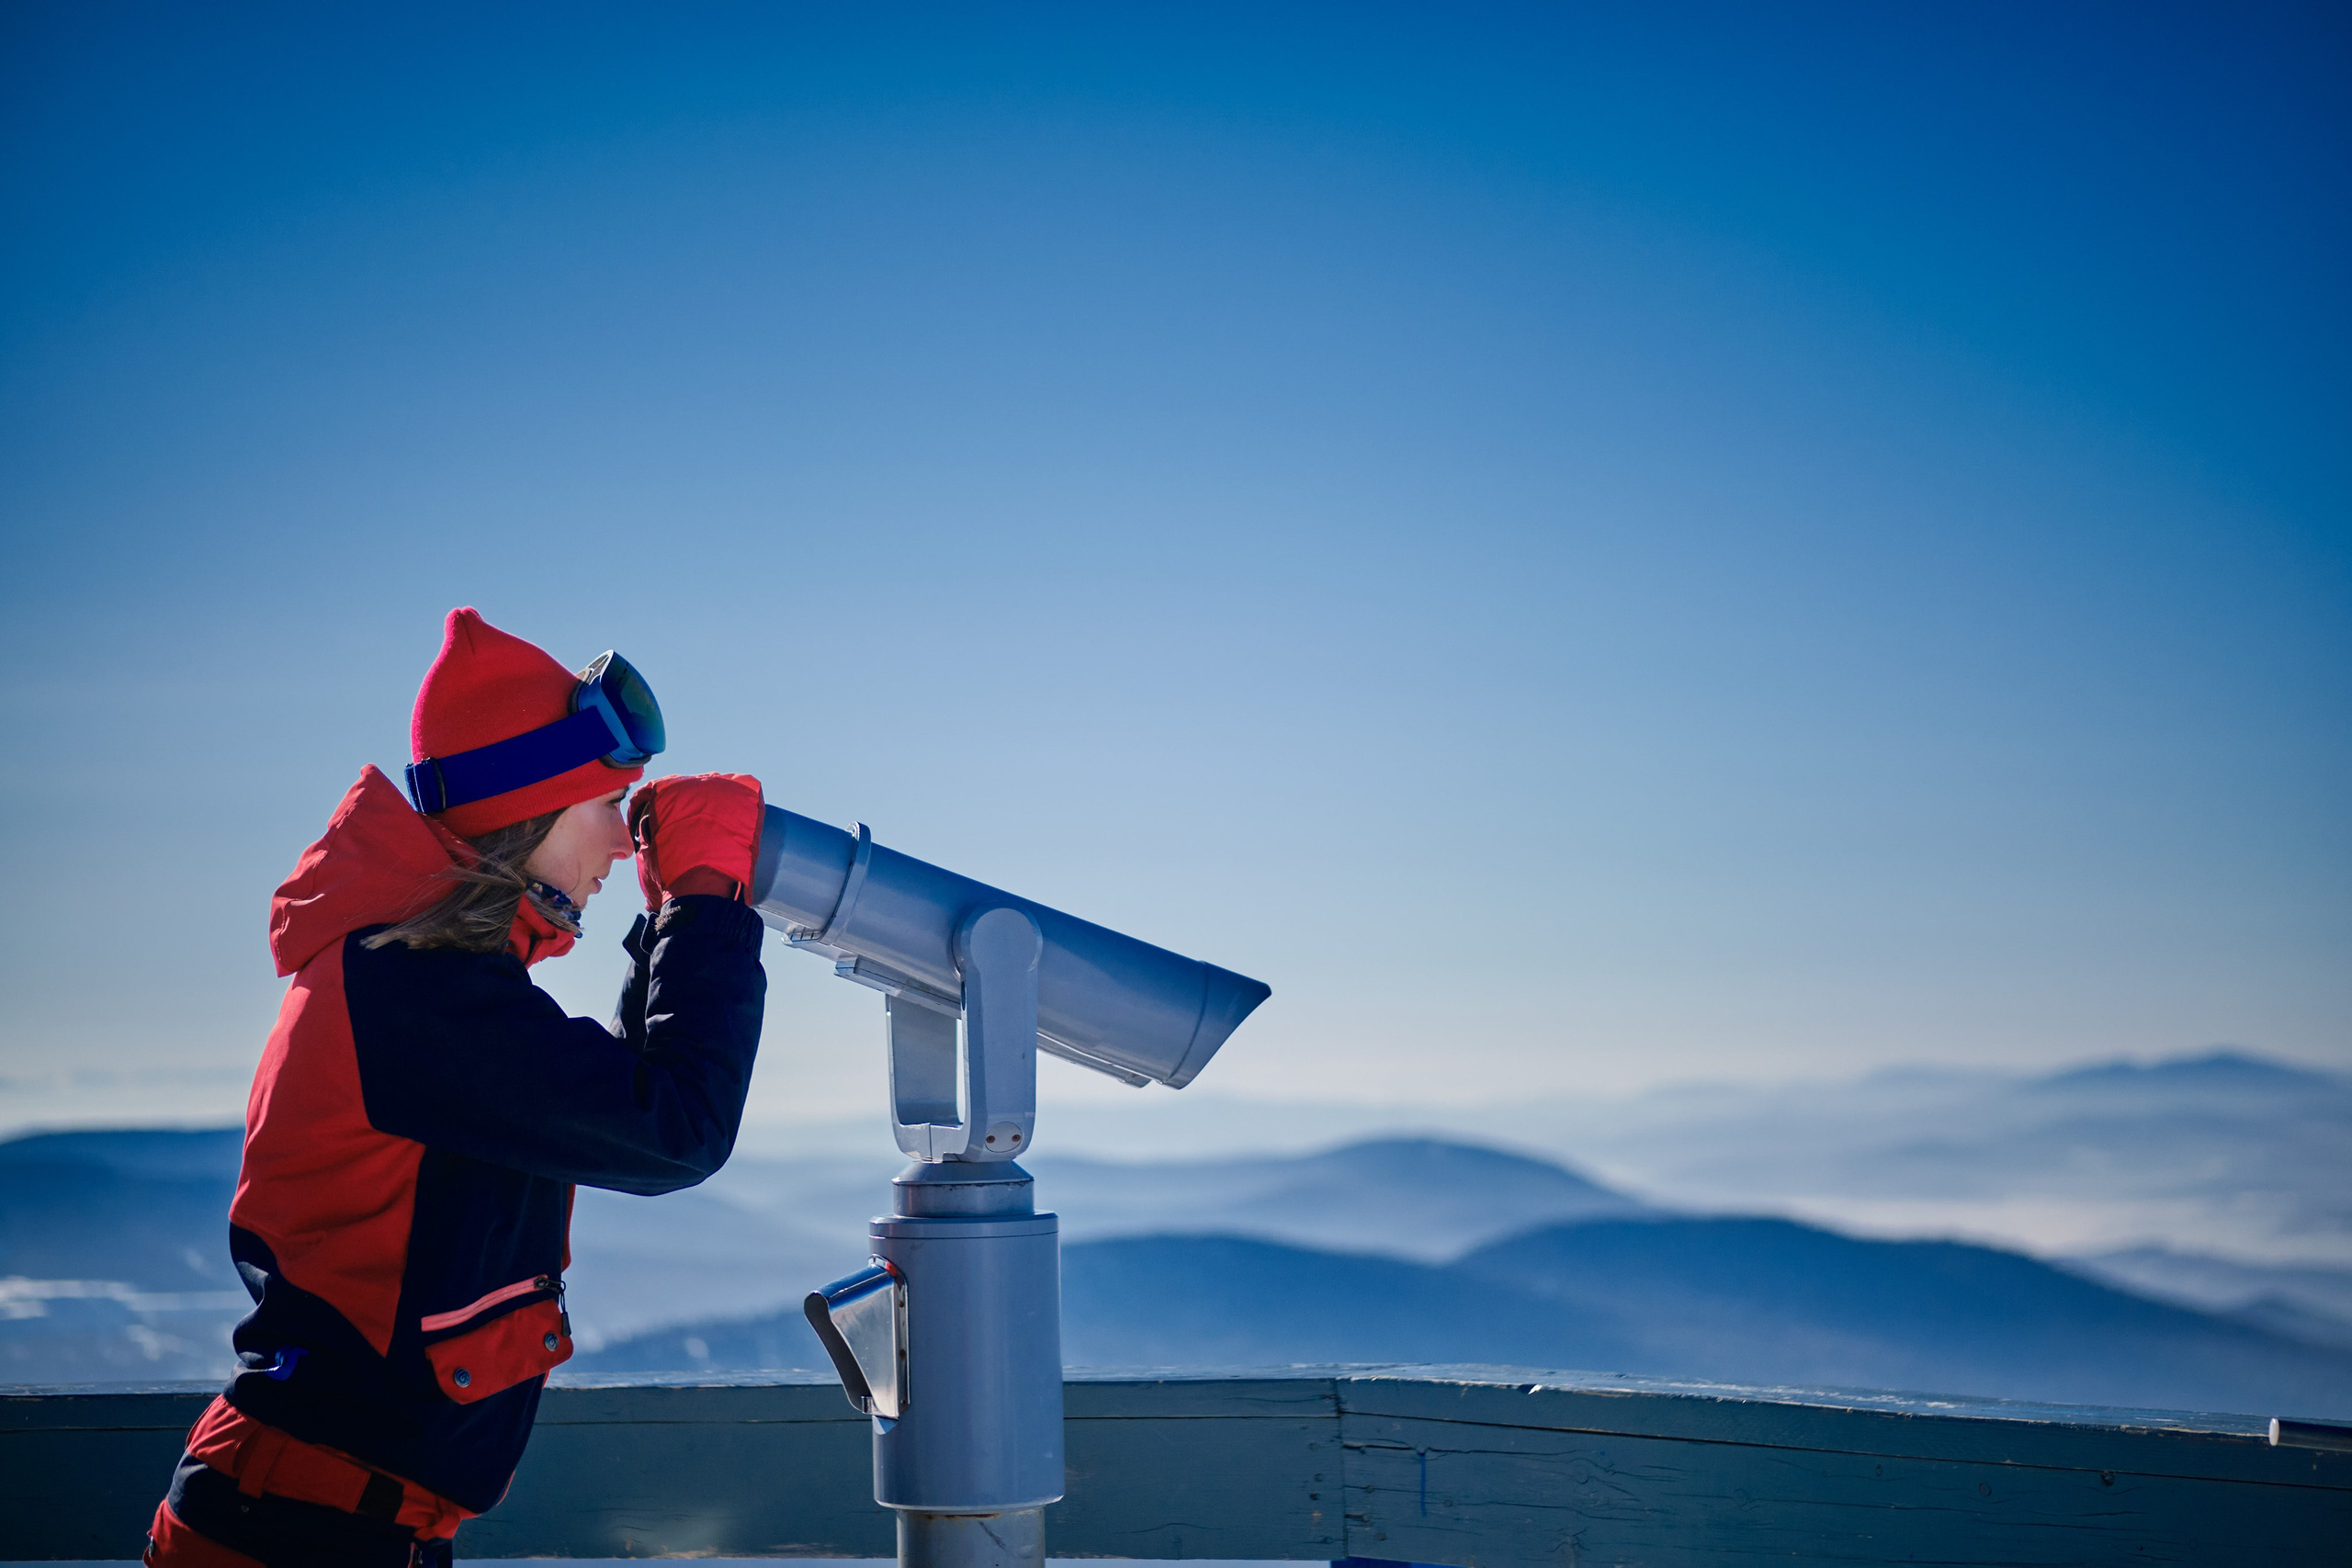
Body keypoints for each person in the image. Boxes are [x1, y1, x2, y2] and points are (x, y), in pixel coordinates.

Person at [143, 608, 770, 1567]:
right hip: (302, 1533)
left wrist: (672, 923)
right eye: (606, 804)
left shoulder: (414, 987)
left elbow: (615, 1103)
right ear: (531, 807)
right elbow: (676, 1127)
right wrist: (704, 903)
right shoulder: (413, 999)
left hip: (329, 1522)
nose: (621, 841)